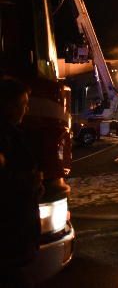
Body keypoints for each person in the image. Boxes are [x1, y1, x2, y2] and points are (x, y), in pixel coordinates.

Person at [0, 77, 41, 288]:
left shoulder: (13, 134)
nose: (26, 110)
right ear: (8, 105)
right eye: (23, 104)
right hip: (8, 239)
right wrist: (30, 182)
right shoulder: (5, 137)